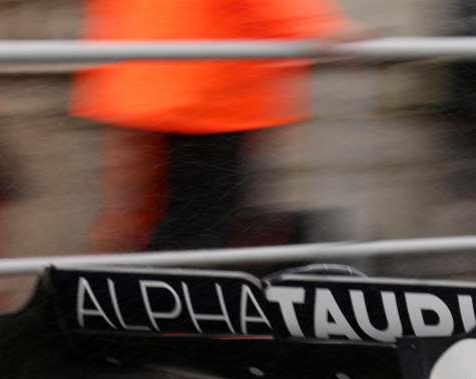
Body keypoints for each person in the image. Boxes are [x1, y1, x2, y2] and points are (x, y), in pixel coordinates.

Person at [73, 0, 350, 252]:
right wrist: (321, 28)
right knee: (201, 226)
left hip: (143, 83)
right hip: (207, 96)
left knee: (149, 219)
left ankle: (129, 292)